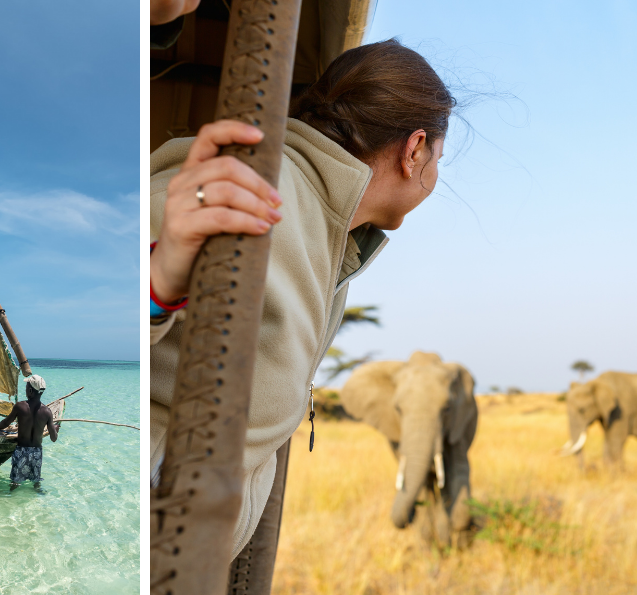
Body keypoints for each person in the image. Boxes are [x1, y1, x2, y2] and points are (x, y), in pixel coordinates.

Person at [149, 39, 455, 556]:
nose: (436, 176)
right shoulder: (262, 190)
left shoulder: (329, 231)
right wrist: (157, 279)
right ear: (415, 149)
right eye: (438, 159)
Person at [0, 374, 58, 490]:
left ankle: (11, 498)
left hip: (22, 451)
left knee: (15, 483)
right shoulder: (47, 412)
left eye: (27, 386)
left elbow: (6, 423)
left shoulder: (20, 406)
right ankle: (38, 494)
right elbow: (54, 438)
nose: (25, 389)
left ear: (30, 390)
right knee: (36, 482)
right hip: (37, 453)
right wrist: (55, 429)